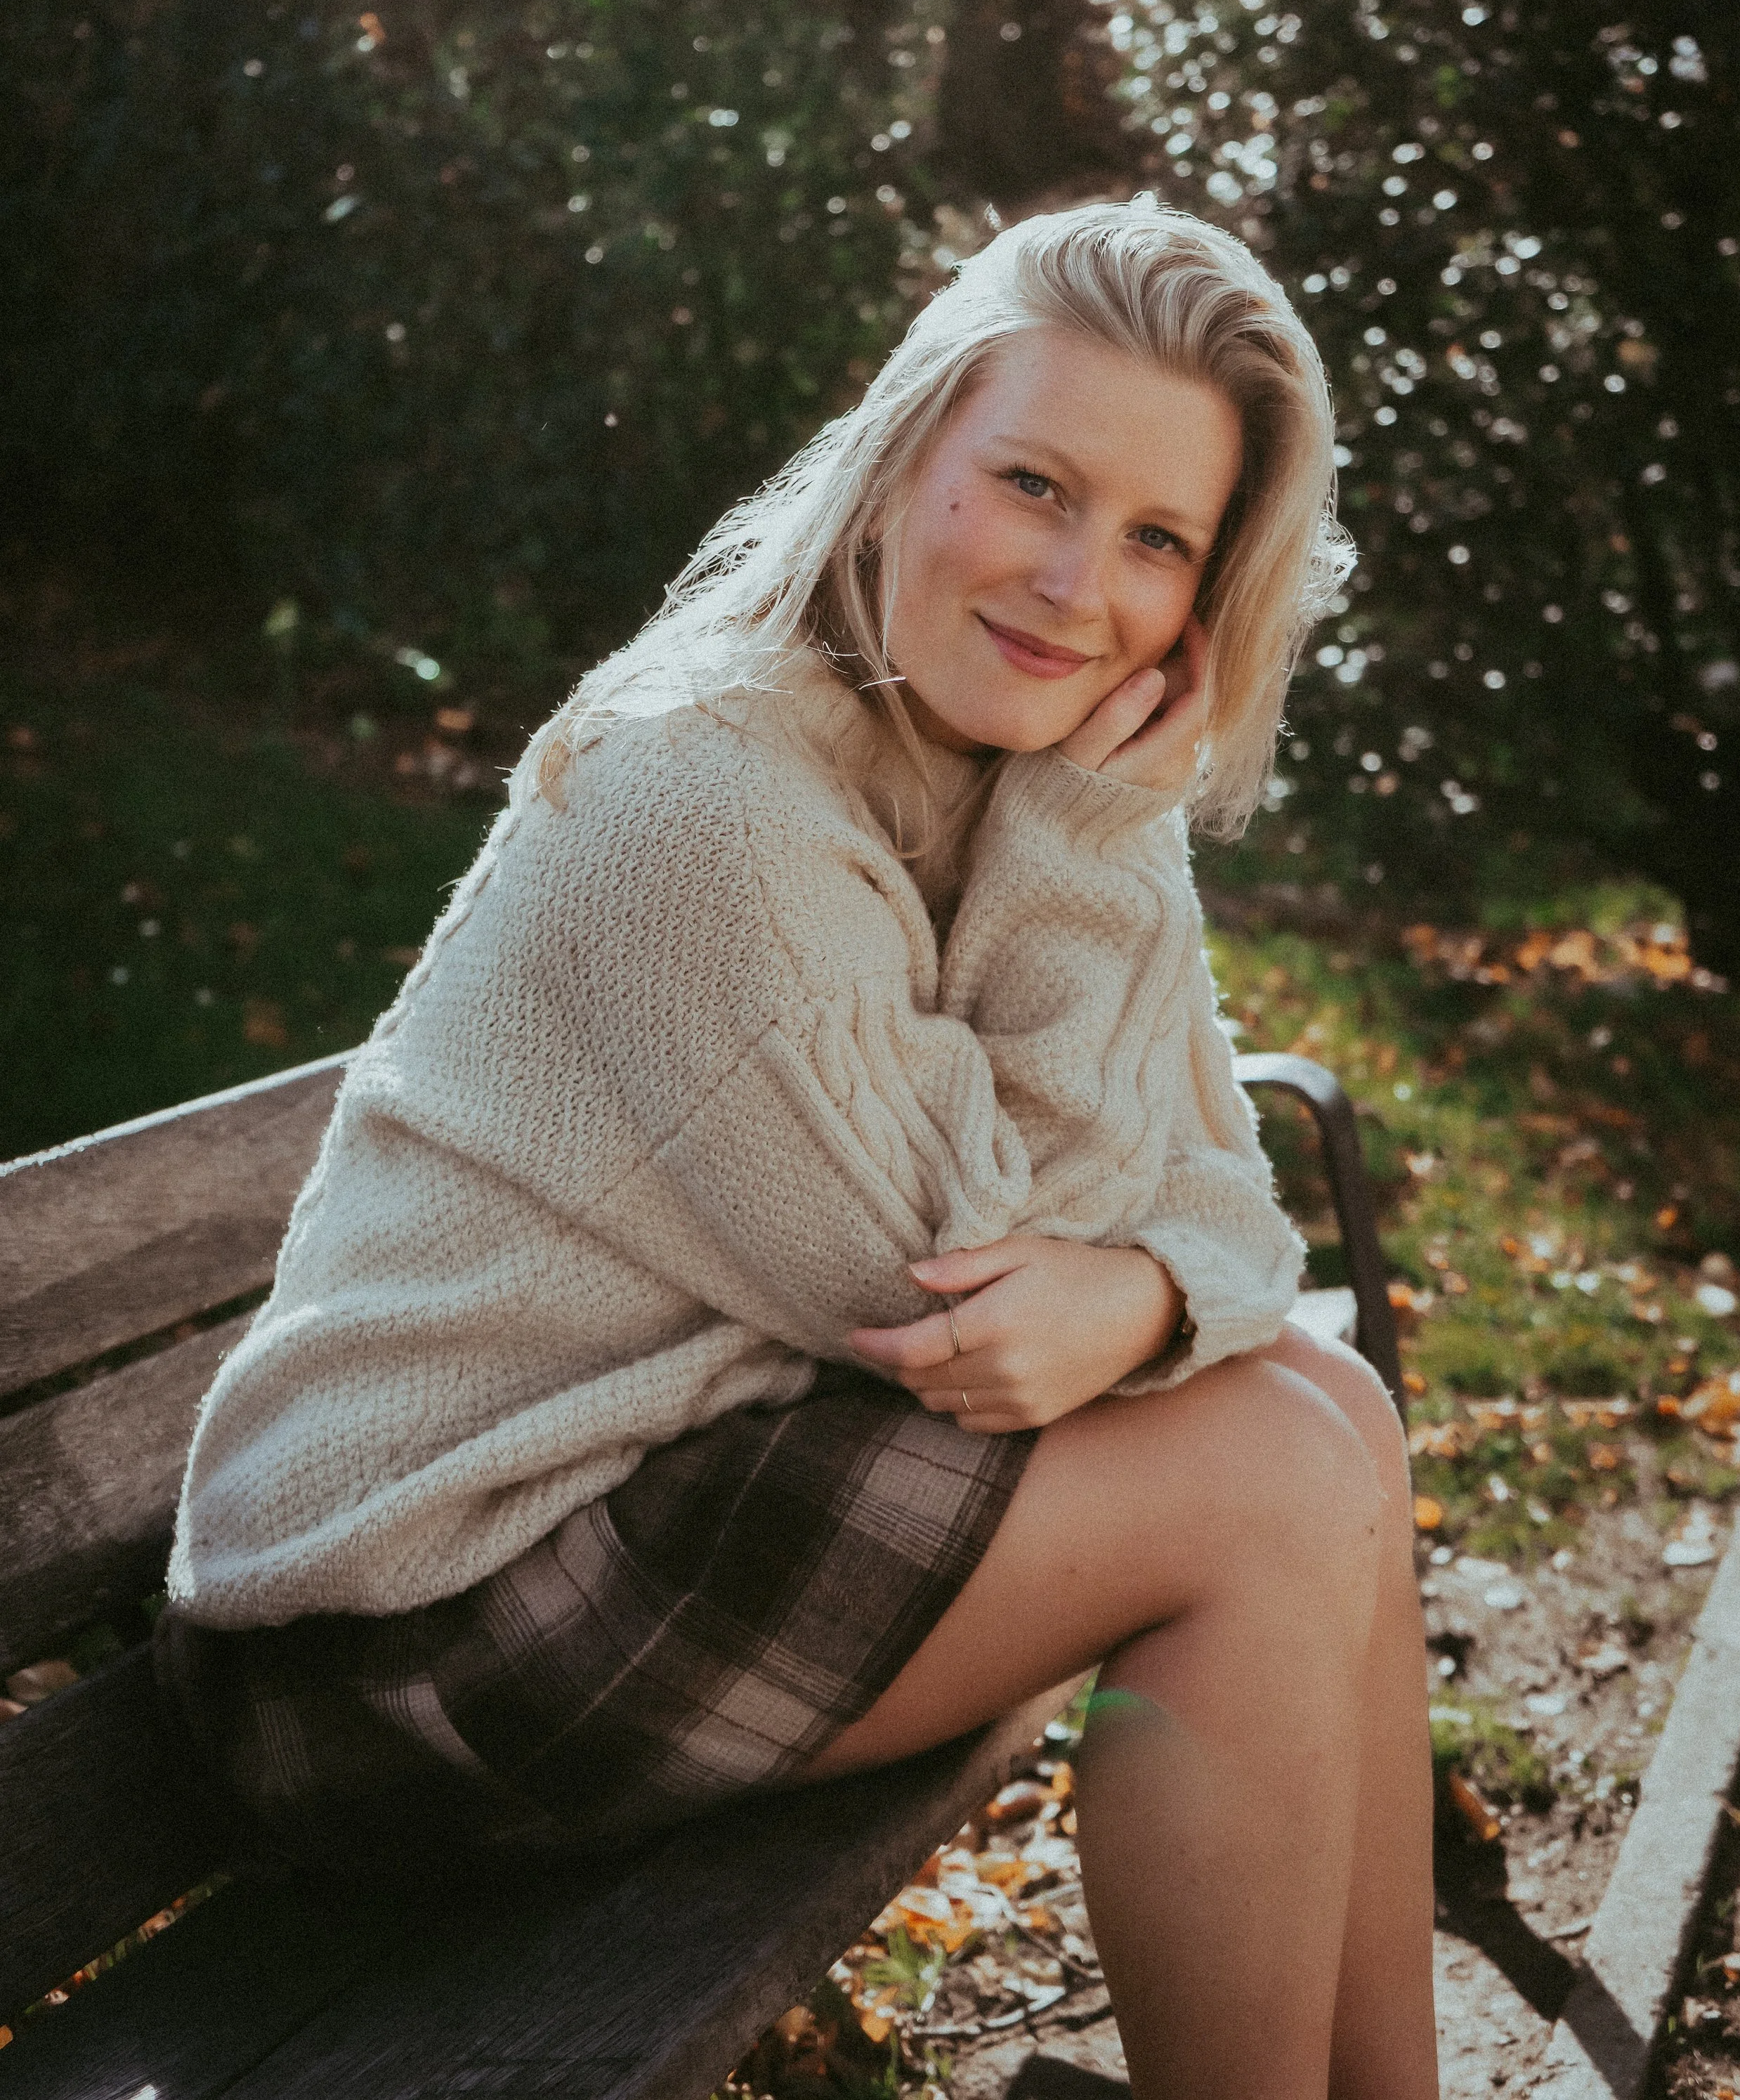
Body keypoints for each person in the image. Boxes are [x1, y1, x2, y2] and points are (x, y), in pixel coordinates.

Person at [157, 197, 1437, 2099]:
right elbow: (972, 1312)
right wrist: (1133, 1240)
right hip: (400, 1635)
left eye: (1157, 538)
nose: (1080, 585)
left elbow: (1204, 1192)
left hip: (653, 1488)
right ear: (908, 446)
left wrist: (1157, 1283)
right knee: (1262, 1481)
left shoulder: (1025, 762)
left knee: (1326, 1417)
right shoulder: (711, 793)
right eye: (1032, 483)